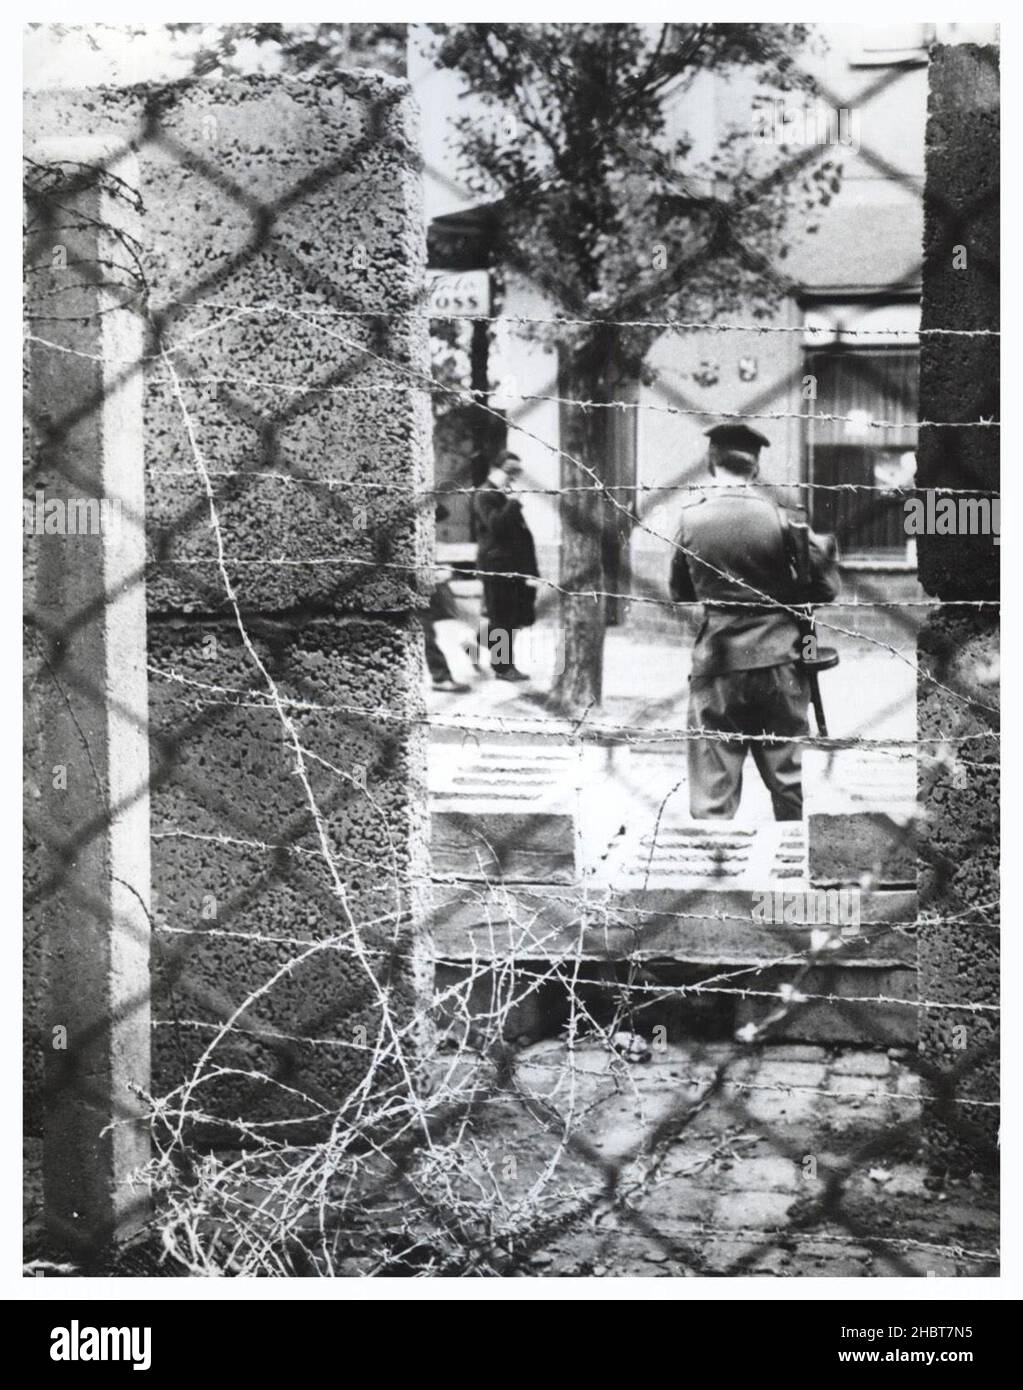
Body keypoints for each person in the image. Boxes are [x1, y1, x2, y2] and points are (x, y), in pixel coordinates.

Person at [669, 423, 838, 821]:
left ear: (711, 462)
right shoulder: (786, 521)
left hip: (718, 662)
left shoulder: (690, 520)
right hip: (781, 659)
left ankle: (714, 871)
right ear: (756, 468)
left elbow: (680, 592)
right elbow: (825, 588)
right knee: (790, 779)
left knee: (713, 783)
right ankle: (799, 862)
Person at [473, 451, 539, 682]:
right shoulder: (485, 495)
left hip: (512, 568)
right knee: (503, 620)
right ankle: (503, 668)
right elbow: (496, 526)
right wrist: (513, 503)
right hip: (497, 568)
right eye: (510, 472)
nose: (513, 477)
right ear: (495, 470)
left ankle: (475, 644)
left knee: (510, 617)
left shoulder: (501, 496)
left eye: (517, 472)